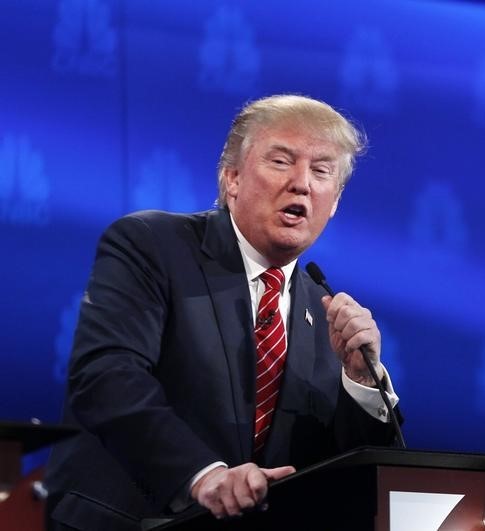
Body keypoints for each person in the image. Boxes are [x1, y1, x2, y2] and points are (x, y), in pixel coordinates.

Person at [45, 94, 400, 530]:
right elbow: (106, 376)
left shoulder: (326, 313)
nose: (302, 183)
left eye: (321, 171)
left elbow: (348, 475)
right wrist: (204, 476)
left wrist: (361, 380)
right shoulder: (151, 246)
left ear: (335, 202)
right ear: (232, 178)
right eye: (281, 161)